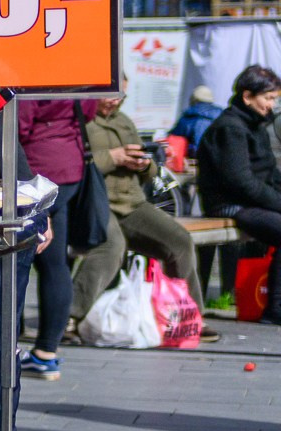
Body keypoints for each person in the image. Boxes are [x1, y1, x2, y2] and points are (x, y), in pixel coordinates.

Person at [71, 94, 206, 333]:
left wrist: (144, 165)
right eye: (110, 95)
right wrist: (113, 158)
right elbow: (71, 164)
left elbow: (151, 170)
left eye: (121, 95)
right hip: (95, 203)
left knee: (180, 242)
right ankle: (70, 317)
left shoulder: (123, 120)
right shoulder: (78, 119)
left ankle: (188, 317)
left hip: (132, 203)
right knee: (111, 247)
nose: (116, 101)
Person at [16, 98, 98, 377]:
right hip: (68, 170)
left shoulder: (36, 72)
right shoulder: (76, 72)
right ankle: (46, 352)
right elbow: (89, 111)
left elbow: (18, 126)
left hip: (37, 171)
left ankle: (11, 347)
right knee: (54, 262)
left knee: (18, 259)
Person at [197, 65, 281, 324]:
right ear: (247, 96)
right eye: (268, 98)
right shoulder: (230, 128)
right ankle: (276, 310)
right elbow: (240, 182)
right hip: (228, 204)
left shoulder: (254, 125)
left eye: (274, 99)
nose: (271, 105)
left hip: (248, 202)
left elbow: (268, 173)